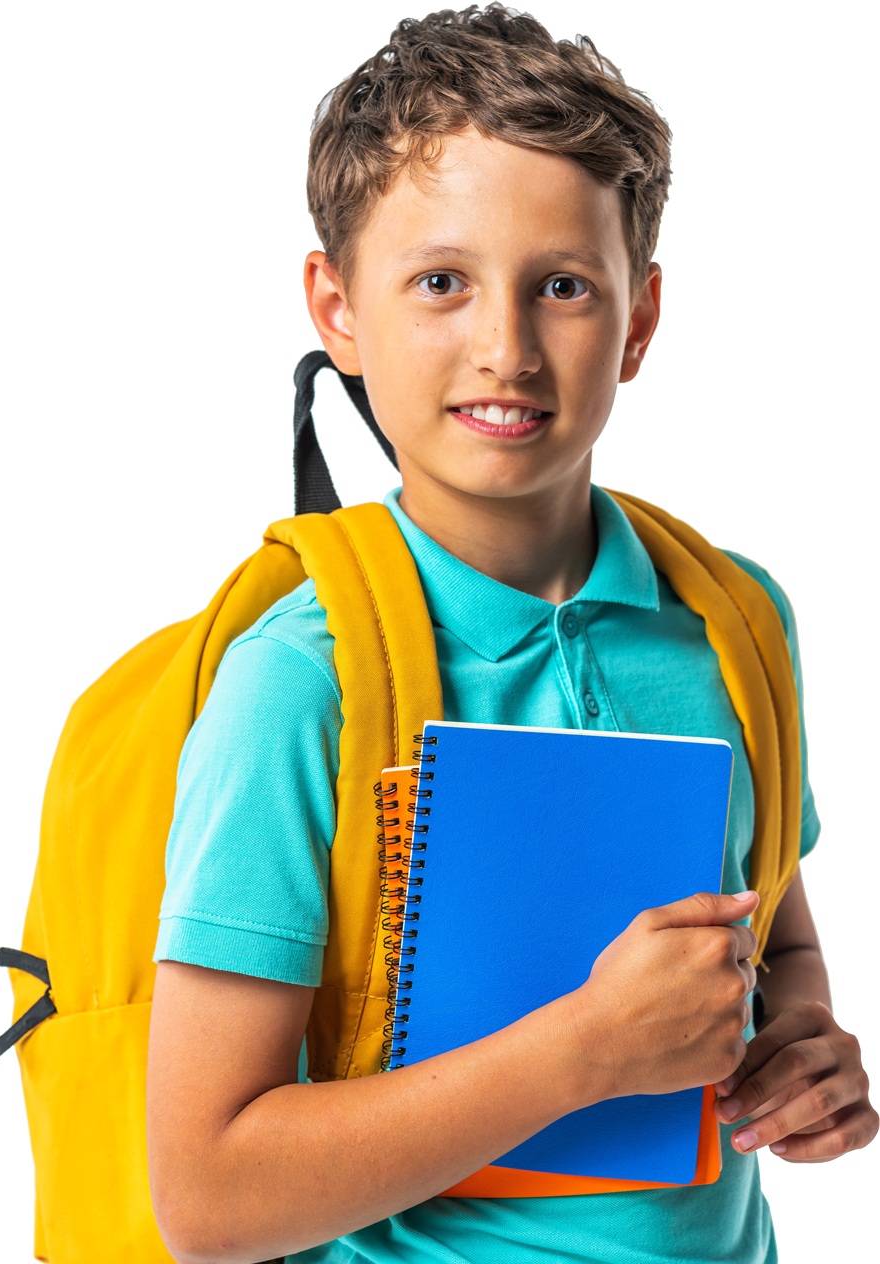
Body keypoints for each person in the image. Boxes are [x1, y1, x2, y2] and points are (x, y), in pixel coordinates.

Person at [145, 7, 877, 1263]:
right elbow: (207, 1198)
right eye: (440, 281)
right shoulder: (298, 687)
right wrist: (583, 1053)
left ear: (639, 318)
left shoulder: (733, 623)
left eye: (564, 286)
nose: (505, 347)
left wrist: (798, 1043)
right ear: (338, 307)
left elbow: (778, 938)